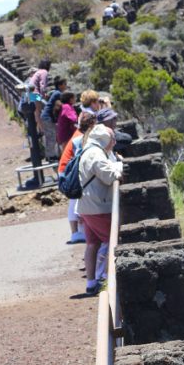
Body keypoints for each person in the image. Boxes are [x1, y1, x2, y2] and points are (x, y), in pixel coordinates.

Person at [77, 124, 123, 295]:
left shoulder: (86, 151)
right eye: (112, 139)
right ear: (105, 139)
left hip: (85, 206)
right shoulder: (96, 154)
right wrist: (120, 168)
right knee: (114, 241)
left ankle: (91, 283)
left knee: (92, 244)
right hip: (98, 206)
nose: (114, 142)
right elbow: (110, 176)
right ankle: (110, 281)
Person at [59, 113, 97, 244]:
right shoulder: (80, 138)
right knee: (75, 201)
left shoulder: (78, 134)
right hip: (68, 172)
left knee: (75, 201)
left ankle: (78, 232)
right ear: (91, 125)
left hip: (66, 171)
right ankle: (76, 233)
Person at [40, 75, 68, 160]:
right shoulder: (58, 93)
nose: (66, 86)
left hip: (47, 117)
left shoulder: (55, 92)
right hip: (47, 118)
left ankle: (51, 155)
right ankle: (51, 156)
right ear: (60, 85)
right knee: (51, 136)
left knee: (52, 136)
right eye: (64, 84)